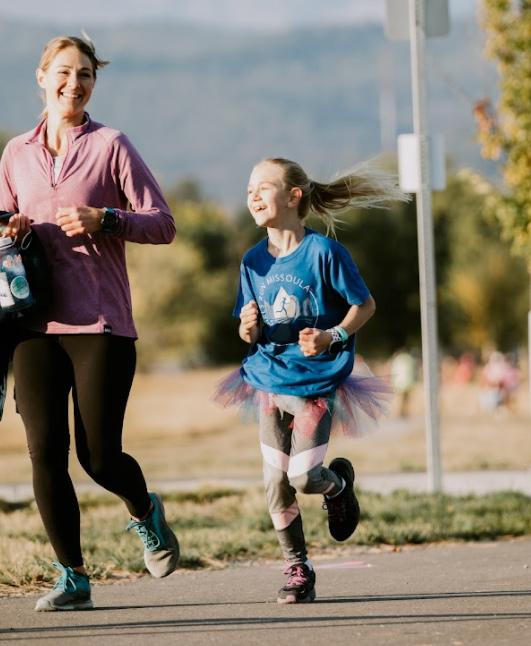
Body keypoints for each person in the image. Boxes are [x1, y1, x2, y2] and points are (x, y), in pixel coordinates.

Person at [0, 35, 179, 611]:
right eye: (64, 73)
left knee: (98, 456)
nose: (74, 84)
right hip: (32, 322)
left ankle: (144, 509)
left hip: (100, 321)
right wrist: (10, 229)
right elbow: (1, 219)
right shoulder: (15, 152)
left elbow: (162, 224)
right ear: (41, 76)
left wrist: (106, 219)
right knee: (44, 452)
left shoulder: (110, 145)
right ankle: (73, 575)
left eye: (85, 75)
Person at [215, 157, 405, 603]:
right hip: (267, 381)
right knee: (275, 482)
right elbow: (250, 328)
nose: (253, 196)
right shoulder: (251, 261)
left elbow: (365, 305)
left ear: (294, 196)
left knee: (303, 477)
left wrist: (331, 335)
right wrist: (247, 327)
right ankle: (298, 569)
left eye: (264, 187)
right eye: (248, 190)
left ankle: (337, 484)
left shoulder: (325, 253)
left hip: (315, 386)